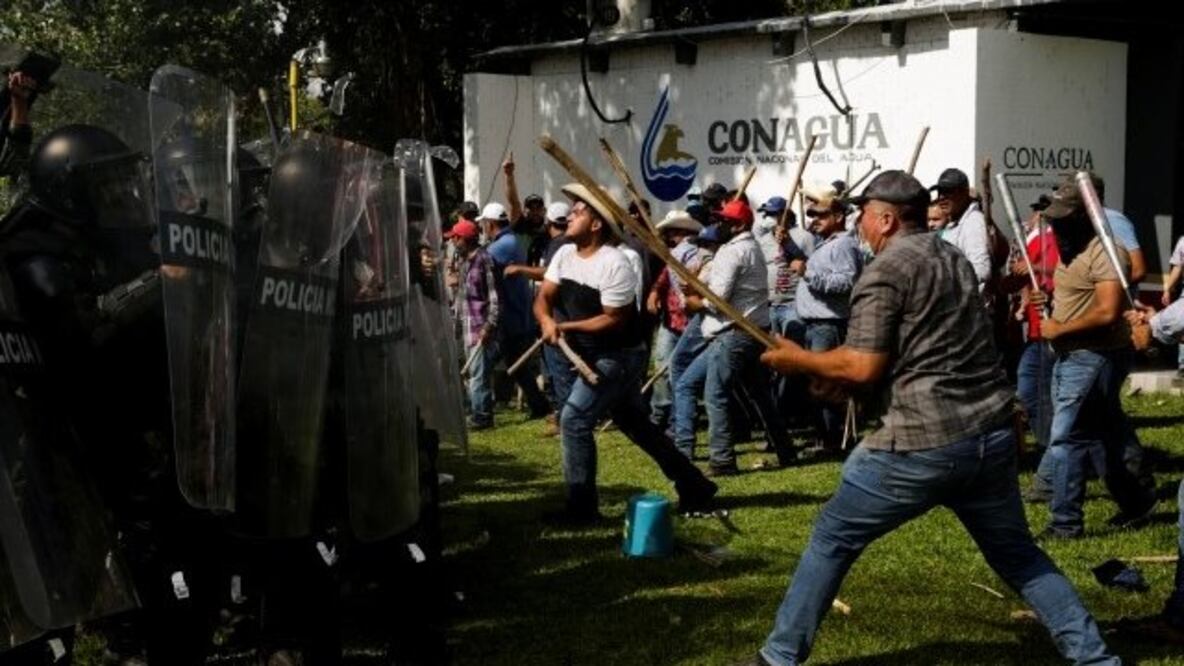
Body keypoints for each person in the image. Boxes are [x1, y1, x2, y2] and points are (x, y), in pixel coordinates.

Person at [744, 170, 1121, 666]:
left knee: (833, 536)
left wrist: (800, 361)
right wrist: (834, 379)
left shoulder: (882, 272)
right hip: (989, 433)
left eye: (863, 215)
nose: (859, 224)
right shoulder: (954, 258)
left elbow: (861, 365)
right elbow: (913, 353)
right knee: (1018, 555)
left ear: (885, 218)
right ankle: (1095, 659)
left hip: (922, 441)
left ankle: (778, 658)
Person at [533, 183, 717, 523]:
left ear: (597, 223)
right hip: (592, 353)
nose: (570, 214)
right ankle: (695, 484)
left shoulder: (616, 262)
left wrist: (566, 329)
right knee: (636, 425)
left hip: (618, 356)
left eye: (579, 210)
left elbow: (614, 320)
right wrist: (546, 320)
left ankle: (582, 508)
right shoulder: (562, 254)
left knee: (573, 420)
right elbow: (544, 296)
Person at [1036, 177, 1157, 539]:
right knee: (1104, 434)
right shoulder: (1070, 248)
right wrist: (1050, 307)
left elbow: (1107, 312)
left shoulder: (1107, 252)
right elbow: (1076, 298)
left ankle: (1065, 523)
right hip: (1071, 354)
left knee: (1065, 439)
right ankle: (1138, 501)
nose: (1055, 224)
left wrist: (1061, 328)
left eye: (1063, 218)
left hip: (1095, 354)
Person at [682, 200, 795, 473]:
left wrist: (694, 300)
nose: (719, 225)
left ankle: (722, 459)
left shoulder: (732, 252)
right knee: (759, 395)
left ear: (740, 225)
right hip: (751, 332)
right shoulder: (751, 246)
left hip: (732, 333)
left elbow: (717, 300)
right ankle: (786, 449)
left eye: (725, 222)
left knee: (714, 393)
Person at [794, 184, 862, 451]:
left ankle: (835, 438)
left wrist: (807, 273)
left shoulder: (843, 244)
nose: (815, 220)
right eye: (813, 215)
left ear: (838, 217)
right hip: (816, 324)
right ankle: (826, 436)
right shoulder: (826, 244)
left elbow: (846, 283)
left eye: (822, 215)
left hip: (828, 324)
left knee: (827, 385)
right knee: (818, 385)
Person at [477, 201, 552, 420]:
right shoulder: (511, 241)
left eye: (484, 225)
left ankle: (481, 411)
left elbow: (479, 263)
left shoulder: (500, 246)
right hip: (516, 315)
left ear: (490, 224)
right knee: (517, 365)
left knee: (486, 362)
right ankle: (540, 406)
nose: (483, 229)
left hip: (512, 316)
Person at [646, 208, 703, 430]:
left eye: (671, 233)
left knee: (680, 371)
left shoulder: (697, 253)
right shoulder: (672, 256)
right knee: (662, 365)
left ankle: (678, 418)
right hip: (671, 320)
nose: (668, 237)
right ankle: (660, 413)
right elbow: (664, 277)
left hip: (691, 320)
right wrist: (654, 292)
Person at [447, 219, 500, 430]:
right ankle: (473, 409)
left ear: (464, 239)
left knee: (479, 374)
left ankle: (482, 417)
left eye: (455, 238)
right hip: (463, 325)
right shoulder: (464, 261)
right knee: (469, 374)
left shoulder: (484, 260)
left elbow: (495, 297)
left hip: (480, 326)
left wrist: (489, 325)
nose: (452, 241)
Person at [931, 168, 991, 291]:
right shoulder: (955, 222)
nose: (941, 198)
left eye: (948, 192)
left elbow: (982, 269)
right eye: (940, 192)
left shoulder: (973, 222)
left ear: (964, 193)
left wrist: (947, 283)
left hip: (968, 304)